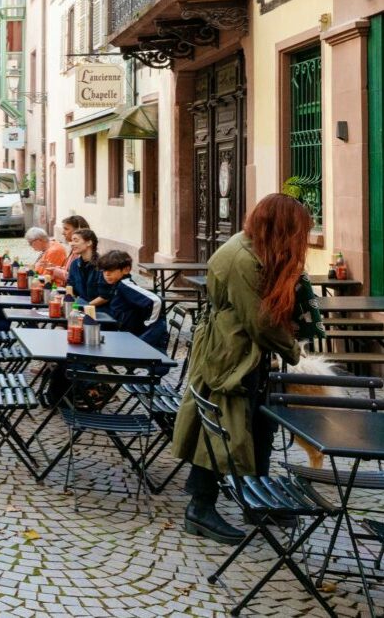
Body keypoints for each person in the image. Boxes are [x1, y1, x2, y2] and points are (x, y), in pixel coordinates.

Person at [171, 194, 310, 546]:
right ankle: (200, 509)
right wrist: (295, 351)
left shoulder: (253, 248)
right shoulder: (242, 258)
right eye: (295, 231)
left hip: (246, 354)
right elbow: (260, 321)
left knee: (260, 426)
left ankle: (256, 498)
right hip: (230, 356)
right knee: (221, 429)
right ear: (278, 226)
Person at [97, 250, 167, 350]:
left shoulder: (125, 285)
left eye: (111, 271)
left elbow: (156, 301)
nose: (106, 274)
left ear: (126, 270)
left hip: (143, 340)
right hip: (125, 334)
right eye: (104, 271)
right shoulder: (117, 285)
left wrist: (149, 323)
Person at [64, 228, 110, 308]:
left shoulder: (103, 264)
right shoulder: (75, 264)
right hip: (82, 305)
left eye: (76, 240)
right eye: (72, 241)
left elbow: (105, 296)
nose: (72, 244)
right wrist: (67, 302)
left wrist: (85, 307)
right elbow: (71, 287)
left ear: (89, 242)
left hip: (101, 309)